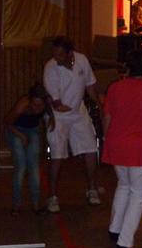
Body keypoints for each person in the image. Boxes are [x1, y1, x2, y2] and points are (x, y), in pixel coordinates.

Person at [102, 49, 142, 248]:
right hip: (139, 148)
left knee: (123, 185)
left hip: (116, 144)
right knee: (138, 194)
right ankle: (126, 240)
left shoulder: (115, 88)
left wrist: (107, 139)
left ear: (128, 68)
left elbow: (107, 118)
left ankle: (115, 228)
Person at [43, 36, 102, 213]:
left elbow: (90, 86)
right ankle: (52, 196)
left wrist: (100, 105)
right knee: (57, 155)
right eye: (54, 54)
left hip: (78, 112)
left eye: (60, 55)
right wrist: (58, 106)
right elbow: (55, 102)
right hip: (58, 117)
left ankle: (91, 189)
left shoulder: (82, 60)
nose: (56, 58)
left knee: (91, 149)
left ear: (70, 53)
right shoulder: (50, 68)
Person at [4, 82, 54, 215]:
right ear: (30, 101)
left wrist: (52, 120)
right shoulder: (22, 105)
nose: (37, 108)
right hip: (15, 130)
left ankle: (36, 205)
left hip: (32, 130)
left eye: (40, 105)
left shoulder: (47, 103)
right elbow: (7, 122)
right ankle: (16, 205)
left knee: (34, 167)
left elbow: (50, 111)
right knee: (21, 167)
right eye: (34, 105)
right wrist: (21, 136)